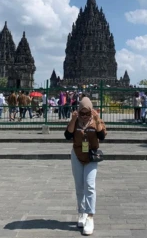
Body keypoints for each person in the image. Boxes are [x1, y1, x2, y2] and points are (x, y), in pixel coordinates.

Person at [64, 97, 107, 236]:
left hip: (91, 156)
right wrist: (73, 119)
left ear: (90, 110)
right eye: (81, 113)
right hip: (77, 154)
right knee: (79, 186)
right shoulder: (76, 120)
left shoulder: (95, 120)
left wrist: (97, 118)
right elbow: (67, 135)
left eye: (86, 113)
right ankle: (81, 212)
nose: (84, 116)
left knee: (90, 185)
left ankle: (90, 216)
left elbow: (102, 135)